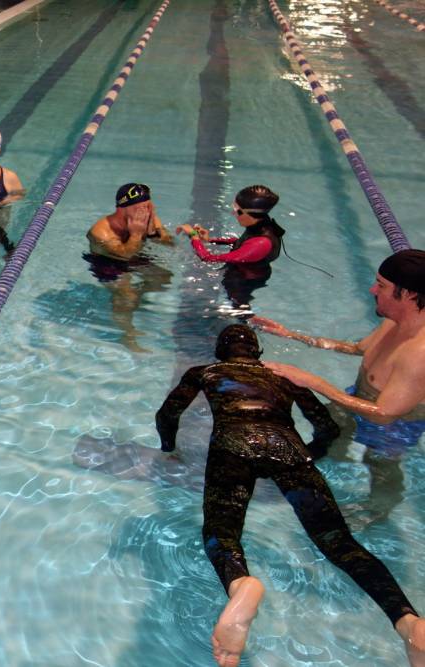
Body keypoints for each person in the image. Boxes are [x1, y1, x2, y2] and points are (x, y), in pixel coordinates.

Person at [155, 324, 425, 667]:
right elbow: (327, 426)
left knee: (222, 534)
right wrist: (307, 456)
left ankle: (241, 584)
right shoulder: (283, 374)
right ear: (258, 352)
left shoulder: (205, 372)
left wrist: (169, 449)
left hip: (233, 444)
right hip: (287, 448)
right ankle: (407, 621)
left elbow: (167, 414)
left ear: (221, 353)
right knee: (338, 542)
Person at [258, 248, 425, 444]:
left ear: (409, 294)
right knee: (317, 444)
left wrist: (314, 382)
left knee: (375, 464)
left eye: (381, 285)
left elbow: (384, 414)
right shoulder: (393, 321)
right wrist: (290, 335)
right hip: (355, 399)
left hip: (392, 429)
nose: (373, 290)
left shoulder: (419, 353)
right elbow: (355, 349)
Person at [85, 183, 173, 352]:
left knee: (163, 277)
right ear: (122, 208)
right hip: (107, 261)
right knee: (126, 297)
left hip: (132, 256)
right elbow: (124, 255)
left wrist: (154, 233)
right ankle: (127, 336)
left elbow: (170, 244)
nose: (145, 211)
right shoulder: (101, 231)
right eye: (140, 208)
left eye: (148, 206)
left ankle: (134, 298)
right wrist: (136, 234)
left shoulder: (146, 217)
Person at [176, 185, 284, 309]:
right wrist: (209, 240)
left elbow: (208, 258)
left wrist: (193, 235)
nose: (233, 213)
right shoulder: (262, 223)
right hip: (243, 269)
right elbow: (242, 242)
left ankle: (251, 320)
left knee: (240, 309)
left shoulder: (261, 243)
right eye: (234, 207)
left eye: (238, 211)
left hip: (243, 279)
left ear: (252, 214)